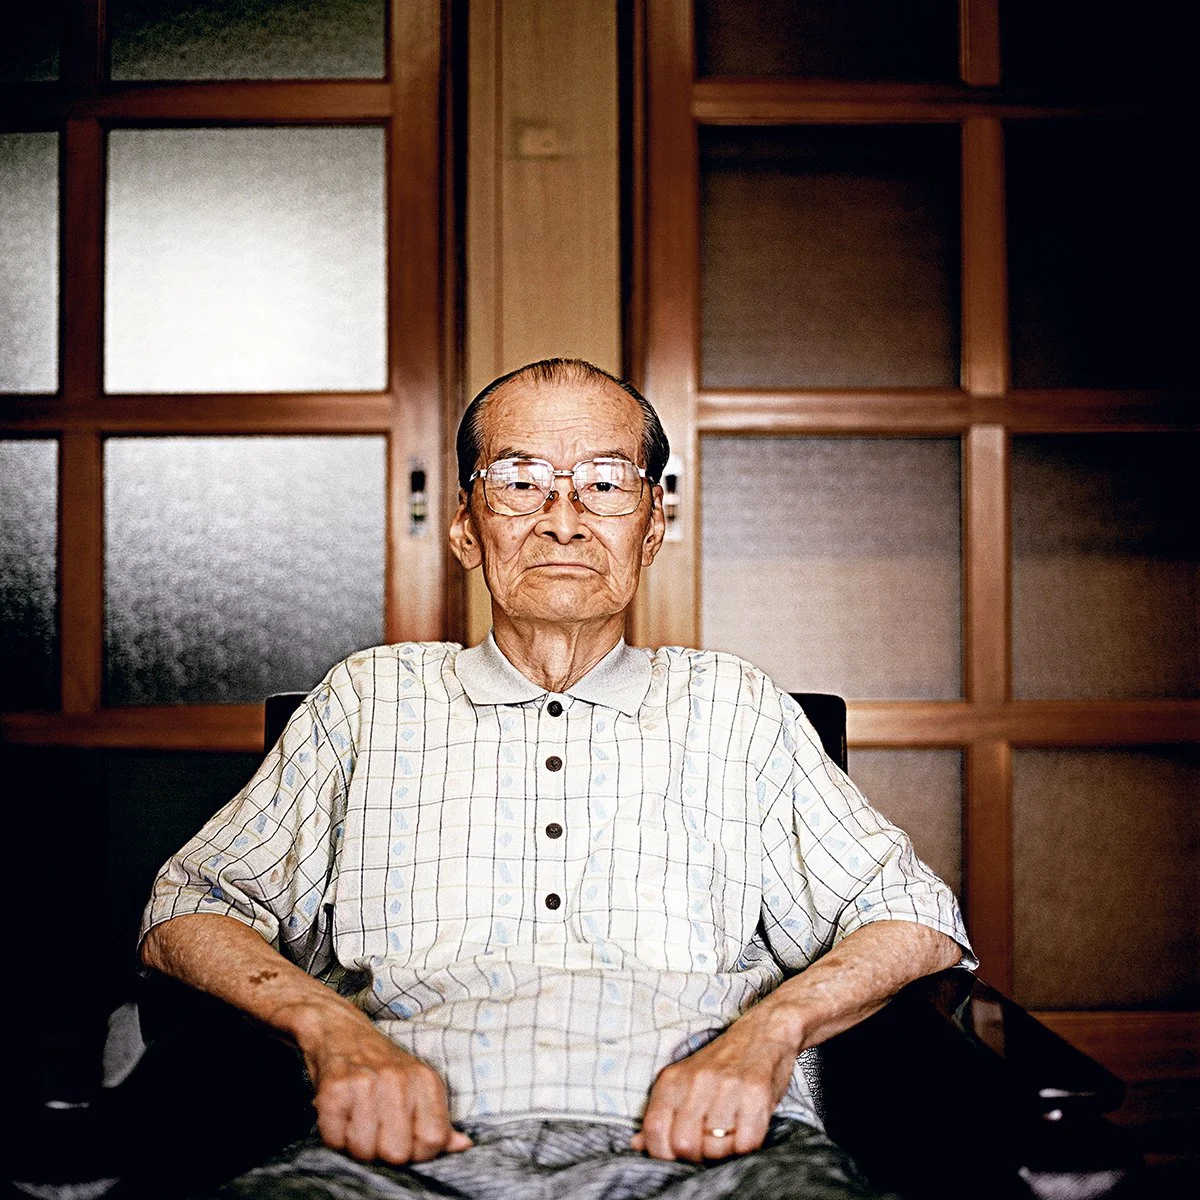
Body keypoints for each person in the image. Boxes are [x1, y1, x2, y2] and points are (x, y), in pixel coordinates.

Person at [140, 357, 974, 1199]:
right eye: (520, 481)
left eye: (607, 484)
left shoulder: (734, 704)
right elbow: (189, 909)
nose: (563, 520)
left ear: (651, 528)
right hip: (392, 1147)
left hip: (716, 1149)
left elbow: (913, 919)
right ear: (467, 527)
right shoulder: (369, 698)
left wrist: (764, 1040)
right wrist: (332, 1034)